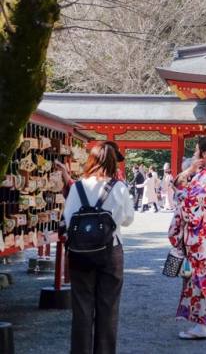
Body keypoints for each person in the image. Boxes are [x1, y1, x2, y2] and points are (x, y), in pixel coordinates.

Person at [63, 141, 134, 354]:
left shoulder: (77, 187)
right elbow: (128, 219)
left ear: (91, 160)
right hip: (110, 250)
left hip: (80, 252)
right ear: (113, 162)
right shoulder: (119, 187)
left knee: (82, 308)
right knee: (108, 308)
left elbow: (68, 219)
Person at [168, 137, 206, 340]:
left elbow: (193, 200)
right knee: (195, 276)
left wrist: (182, 199)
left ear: (205, 154)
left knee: (201, 277)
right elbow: (178, 186)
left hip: (200, 233)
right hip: (200, 232)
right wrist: (190, 170)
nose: (193, 155)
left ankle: (201, 326)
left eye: (196, 152)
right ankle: (198, 322)